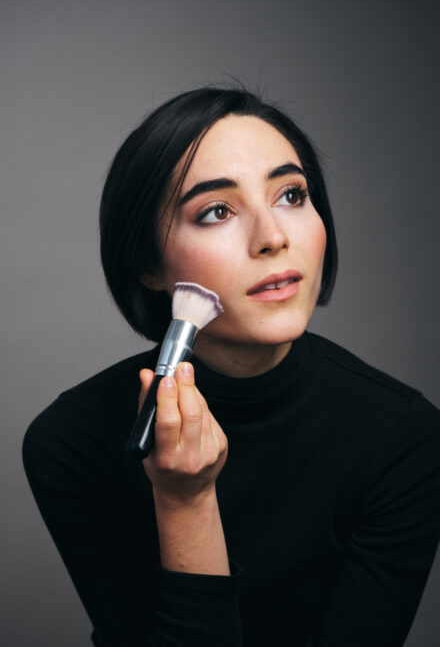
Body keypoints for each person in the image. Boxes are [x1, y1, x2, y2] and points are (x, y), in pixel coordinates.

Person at [22, 85, 440, 647]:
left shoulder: (406, 439)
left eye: (291, 195)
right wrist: (184, 502)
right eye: (217, 211)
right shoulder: (70, 442)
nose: (273, 237)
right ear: (148, 263)